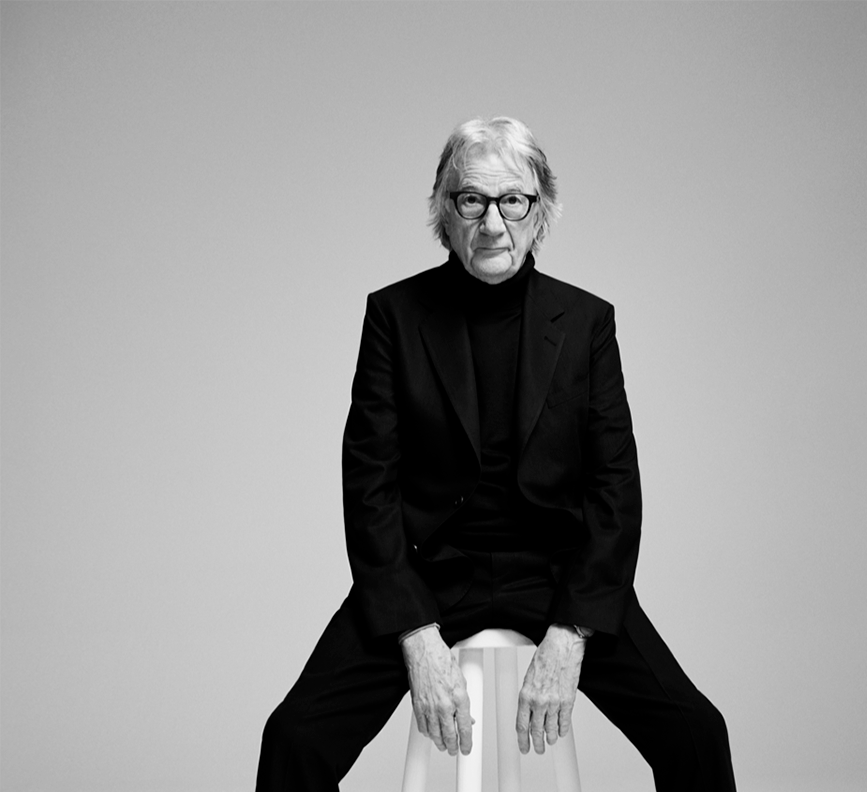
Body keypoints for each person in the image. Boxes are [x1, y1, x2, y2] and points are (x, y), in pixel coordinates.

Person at [256, 117, 737, 791]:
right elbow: (369, 487)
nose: (492, 224)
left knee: (696, 734)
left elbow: (614, 489)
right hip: (430, 572)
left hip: (556, 573)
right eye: (472, 200)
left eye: (512, 200)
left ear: (540, 211)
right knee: (294, 738)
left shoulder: (586, 322)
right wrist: (416, 636)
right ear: (444, 211)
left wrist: (571, 632)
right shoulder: (395, 316)